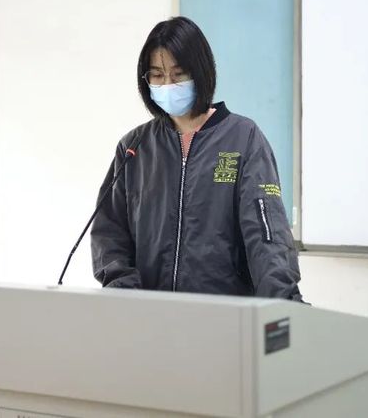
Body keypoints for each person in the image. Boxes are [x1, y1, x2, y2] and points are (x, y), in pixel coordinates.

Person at [91, 16, 303, 301]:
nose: (168, 84)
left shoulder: (243, 138)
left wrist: (283, 302)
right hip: (148, 314)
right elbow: (110, 233)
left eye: (178, 74)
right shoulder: (134, 147)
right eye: (157, 75)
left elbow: (267, 234)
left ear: (201, 72)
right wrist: (126, 297)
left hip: (224, 313)